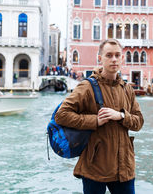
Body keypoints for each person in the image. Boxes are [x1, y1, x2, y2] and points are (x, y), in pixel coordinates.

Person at [55, 38, 144, 194]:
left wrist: (121, 116)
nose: (114, 59)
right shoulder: (87, 86)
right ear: (100, 58)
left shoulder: (127, 89)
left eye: (117, 55)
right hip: (95, 167)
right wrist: (94, 120)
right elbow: (61, 115)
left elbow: (139, 122)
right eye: (109, 55)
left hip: (124, 167)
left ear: (122, 58)